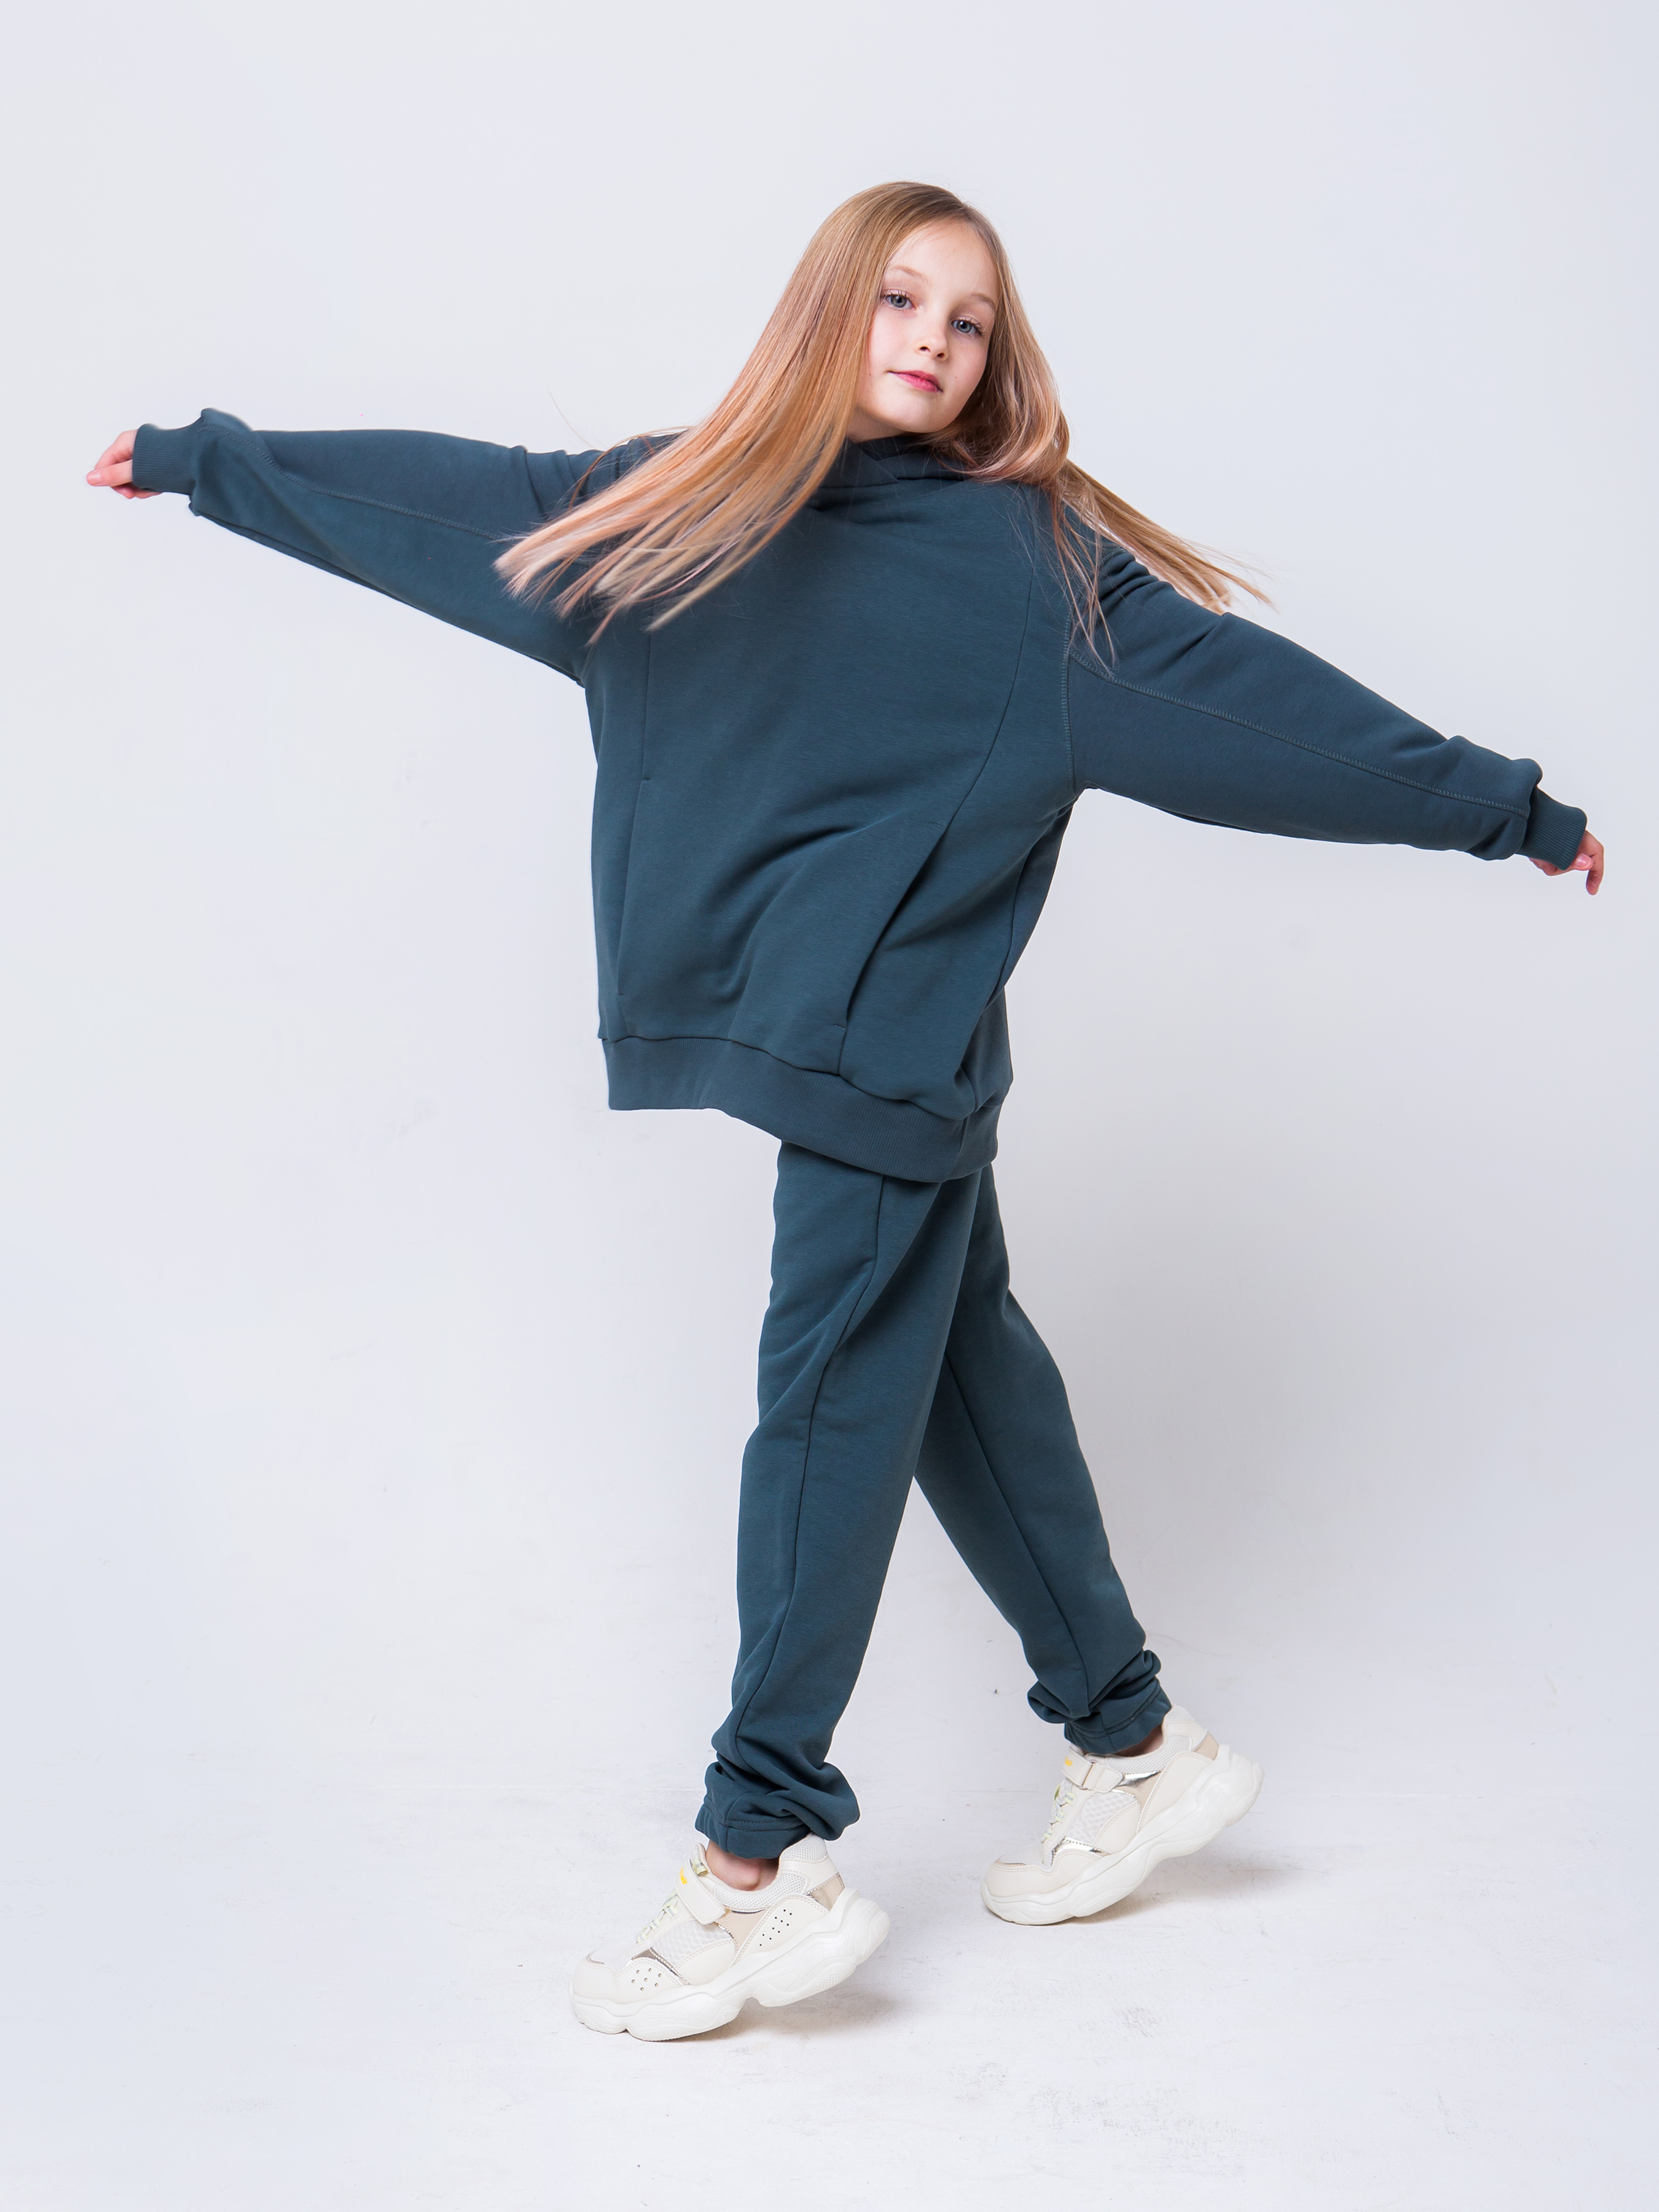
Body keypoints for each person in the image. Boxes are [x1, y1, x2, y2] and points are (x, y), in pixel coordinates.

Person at [88, 181, 1602, 2044]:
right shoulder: (688, 512)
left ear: (994, 361)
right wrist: (212, 463)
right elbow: (456, 504)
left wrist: (1502, 808)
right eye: (900, 299)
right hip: (866, 1055)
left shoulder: (1034, 577)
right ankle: (1131, 1746)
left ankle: (758, 1859)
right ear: (831, 307)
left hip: (883, 1066)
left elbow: (1269, 718)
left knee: (822, 1418)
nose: (932, 341)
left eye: (968, 321)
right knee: (956, 1367)